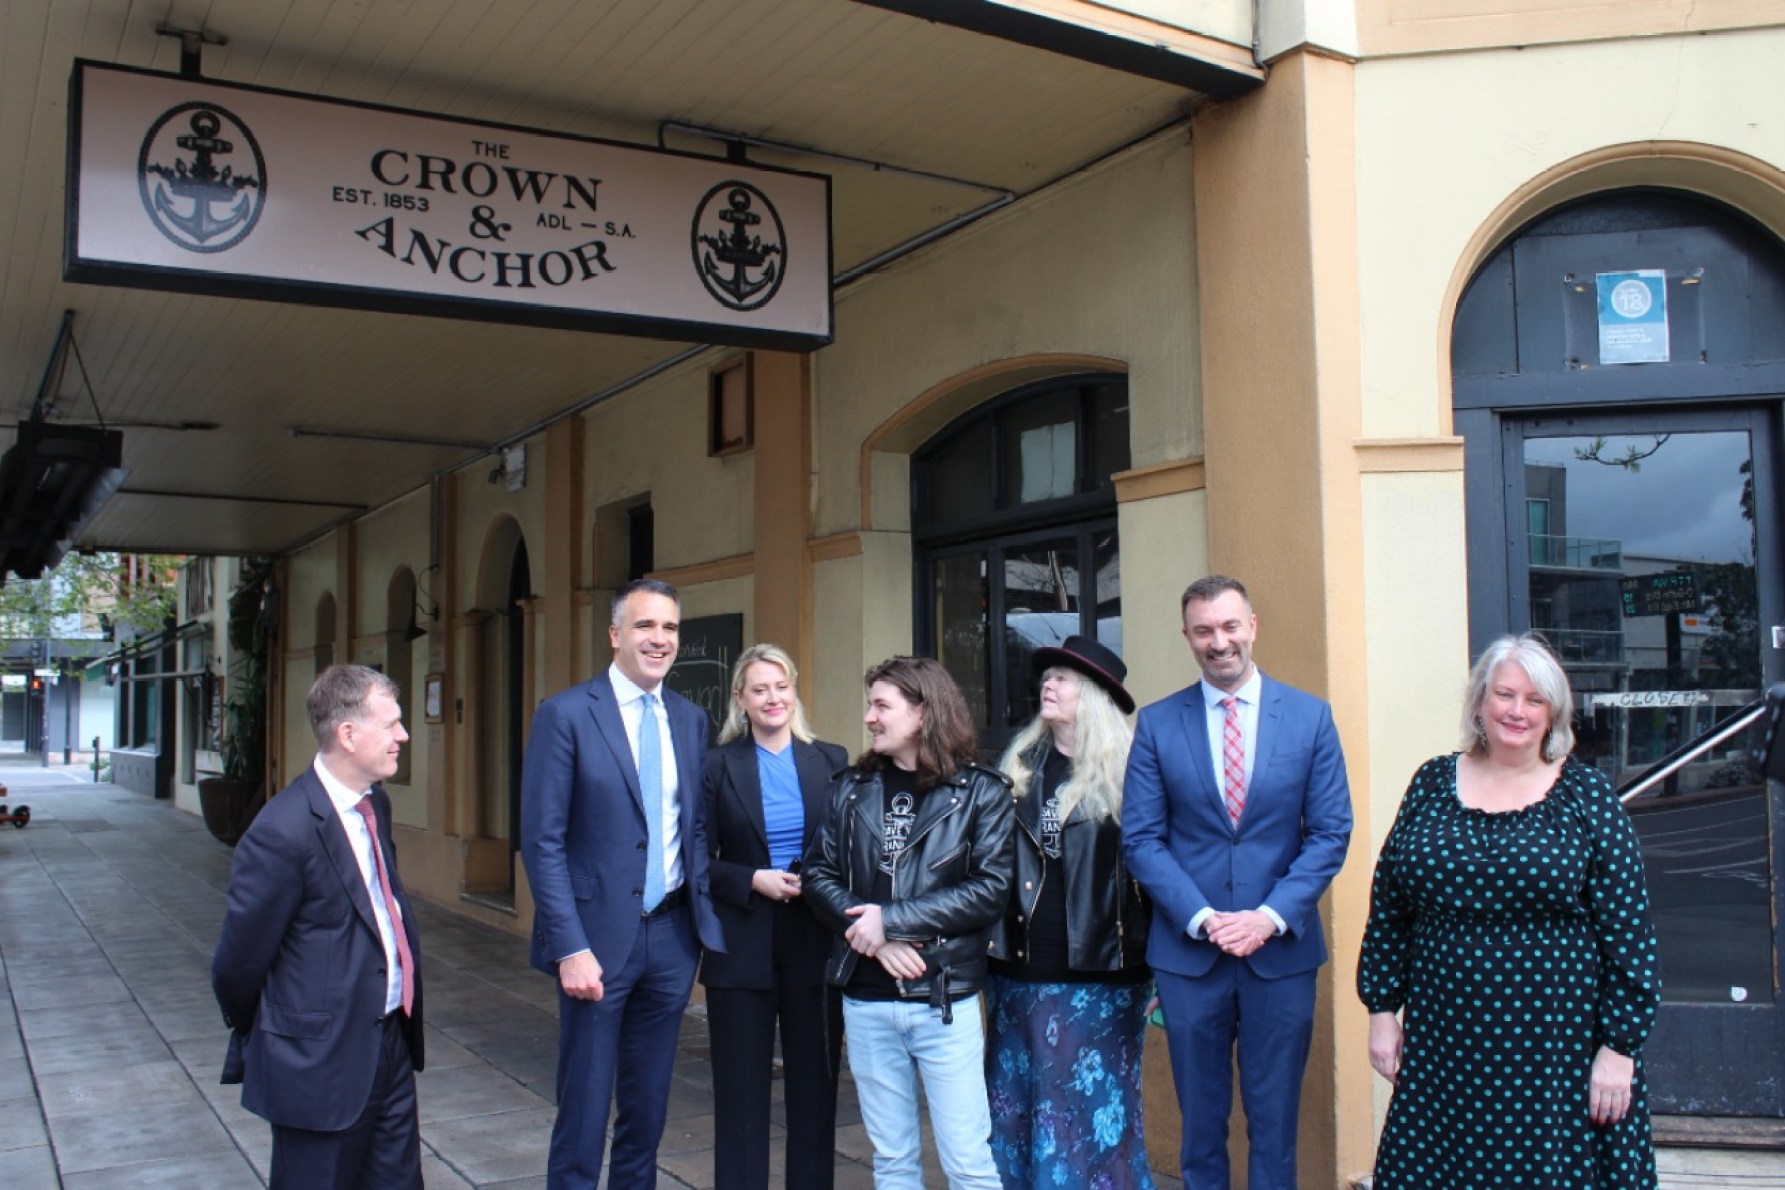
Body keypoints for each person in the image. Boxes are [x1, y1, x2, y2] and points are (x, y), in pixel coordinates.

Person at [1358, 633, 1661, 1189]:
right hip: (1445, 1044)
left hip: (1554, 1049)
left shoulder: (1586, 797)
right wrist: (1382, 1009)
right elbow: (1391, 905)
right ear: (1479, 703)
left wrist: (1620, 1050)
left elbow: (1629, 934)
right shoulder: (1430, 783)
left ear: (1554, 714)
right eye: (1504, 695)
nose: (1517, 711)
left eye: (1534, 700)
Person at [1121, 575, 1352, 1190]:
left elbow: (1330, 833)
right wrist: (1202, 918)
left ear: (1252, 624)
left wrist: (1268, 916)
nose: (1219, 642)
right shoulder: (1157, 724)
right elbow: (1142, 839)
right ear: (1187, 636)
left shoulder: (1309, 718)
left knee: (1275, 1124)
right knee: (1200, 1124)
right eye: (1204, 630)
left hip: (1280, 951)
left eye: (1229, 626)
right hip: (1189, 954)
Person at [519, 578, 726, 1190]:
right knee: (583, 1108)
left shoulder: (692, 720)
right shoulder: (565, 715)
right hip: (595, 943)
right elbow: (543, 841)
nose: (659, 639)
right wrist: (569, 947)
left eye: (669, 628)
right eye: (644, 626)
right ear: (615, 635)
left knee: (648, 1108)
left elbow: (694, 829)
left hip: (669, 939)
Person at [802, 656, 1015, 1190]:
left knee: (967, 1161)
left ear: (922, 713)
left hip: (942, 999)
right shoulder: (851, 788)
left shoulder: (982, 792)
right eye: (870, 704)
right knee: (893, 1161)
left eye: (881, 706)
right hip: (868, 1001)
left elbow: (990, 889)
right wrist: (877, 942)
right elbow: (817, 874)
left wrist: (890, 921)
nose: (869, 717)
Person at [212, 664, 425, 1189]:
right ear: (348, 734)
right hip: (317, 1061)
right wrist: (283, 1035)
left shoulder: (376, 803)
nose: (403, 735)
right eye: (392, 723)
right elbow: (238, 965)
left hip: (389, 1041)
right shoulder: (282, 831)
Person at [985, 635, 1155, 1189]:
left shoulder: (1134, 772)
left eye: (1063, 678)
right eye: (1047, 677)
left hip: (1105, 977)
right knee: (1017, 1111)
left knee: (1092, 1116)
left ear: (1096, 697)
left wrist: (1161, 965)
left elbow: (1154, 875)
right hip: (1018, 971)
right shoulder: (1017, 767)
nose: (1047, 686)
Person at [699, 643, 848, 1190]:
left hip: (815, 941)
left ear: (794, 691)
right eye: (759, 689)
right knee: (740, 1094)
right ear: (740, 698)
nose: (772, 698)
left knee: (815, 1091)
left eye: (781, 686)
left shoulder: (831, 760)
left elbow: (848, 850)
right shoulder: (716, 765)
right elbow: (695, 860)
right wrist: (749, 879)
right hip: (741, 942)